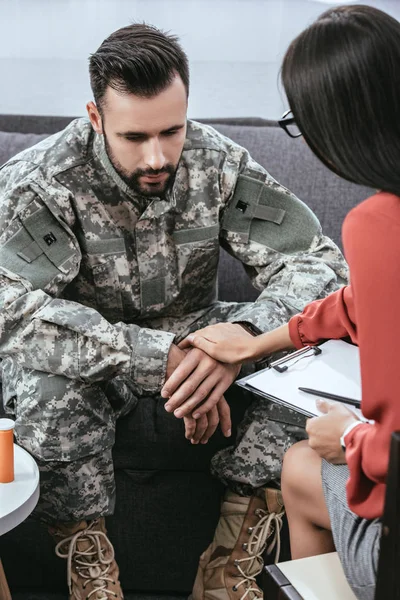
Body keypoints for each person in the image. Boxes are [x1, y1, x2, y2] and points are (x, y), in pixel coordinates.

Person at [0, 23, 348, 600]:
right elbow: (10, 308)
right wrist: (165, 359)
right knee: (47, 386)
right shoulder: (43, 182)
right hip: (90, 346)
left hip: (202, 335)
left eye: (172, 130)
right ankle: (89, 567)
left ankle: (230, 560)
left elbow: (320, 267)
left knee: (309, 360)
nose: (157, 156)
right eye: (135, 136)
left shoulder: (216, 161)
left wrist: (239, 339)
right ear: (95, 116)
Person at [181, 4, 400, 599]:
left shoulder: (380, 222)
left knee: (305, 465)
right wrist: (258, 339)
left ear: (343, 121)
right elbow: (359, 304)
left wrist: (352, 440)